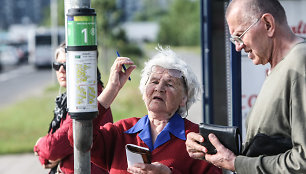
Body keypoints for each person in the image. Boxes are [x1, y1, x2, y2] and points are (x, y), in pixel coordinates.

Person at [185, 0, 306, 173]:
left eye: (240, 36)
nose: (238, 47)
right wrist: (210, 147)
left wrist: (237, 164)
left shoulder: (299, 64)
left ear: (268, 24)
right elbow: (270, 147)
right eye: (234, 39)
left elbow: (302, 161)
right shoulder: (282, 67)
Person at [68, 46, 222, 173]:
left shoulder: (197, 139)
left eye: (169, 84)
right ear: (144, 90)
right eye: (154, 81)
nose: (159, 88)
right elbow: (77, 137)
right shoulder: (122, 132)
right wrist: (111, 89)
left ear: (184, 99)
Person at [34, 42, 113, 174]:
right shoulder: (71, 97)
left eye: (66, 65)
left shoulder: (88, 96)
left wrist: (38, 145)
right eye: (57, 65)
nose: (61, 70)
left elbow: (52, 148)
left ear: (85, 65)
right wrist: (47, 156)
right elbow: (50, 155)